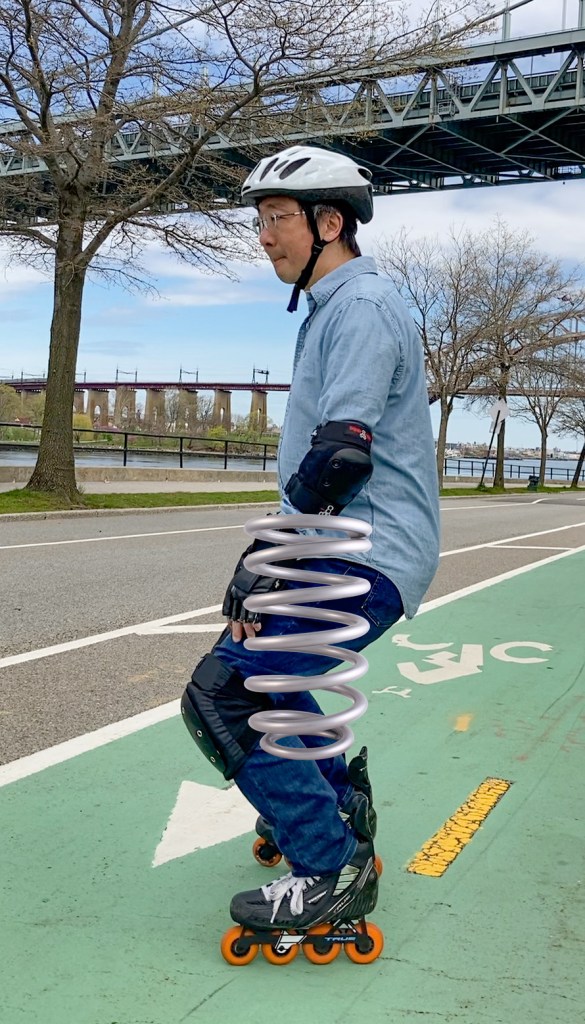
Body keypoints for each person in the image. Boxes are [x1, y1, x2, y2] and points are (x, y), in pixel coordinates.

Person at [181, 145, 440, 956]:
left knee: (221, 698)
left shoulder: (359, 307)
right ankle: (337, 804)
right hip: (344, 543)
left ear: (330, 223)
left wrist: (265, 555)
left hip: (364, 547)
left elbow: (341, 454)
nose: (263, 236)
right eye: (258, 220)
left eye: (276, 218)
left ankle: (328, 866)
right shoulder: (334, 307)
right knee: (258, 684)